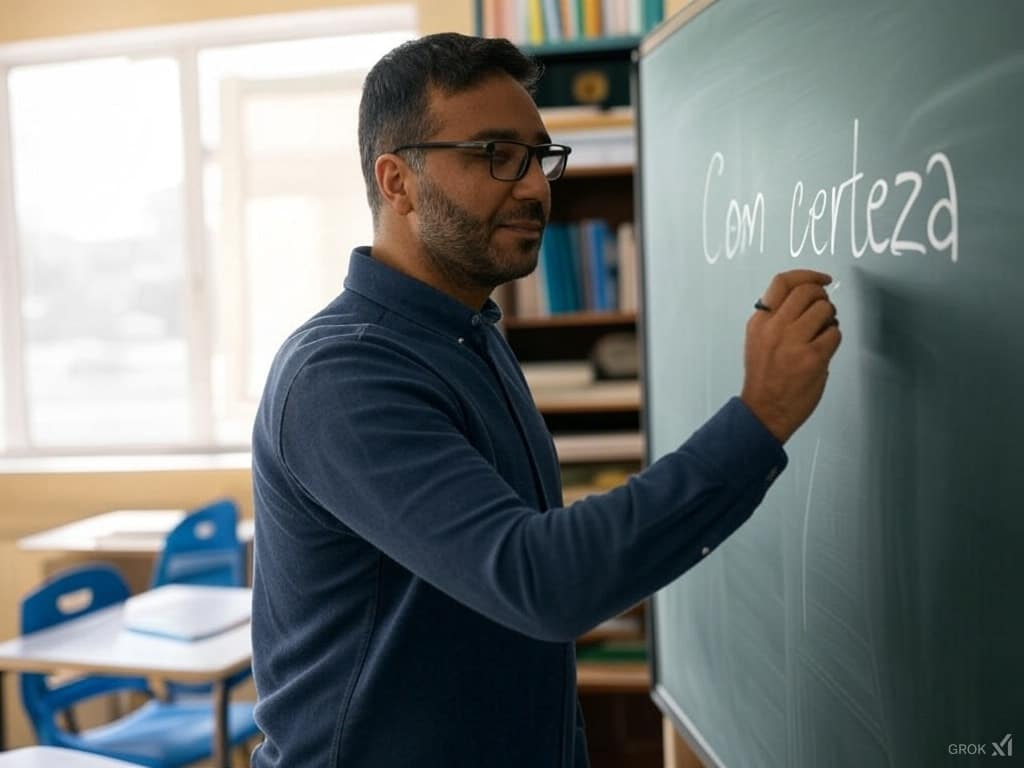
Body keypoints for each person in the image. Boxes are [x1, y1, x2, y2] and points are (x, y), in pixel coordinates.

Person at [249, 32, 841, 768]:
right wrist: (760, 417)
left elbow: (518, 636)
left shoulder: (473, 335)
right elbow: (541, 582)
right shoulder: (341, 376)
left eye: (539, 156)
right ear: (397, 182)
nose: (534, 187)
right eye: (496, 154)